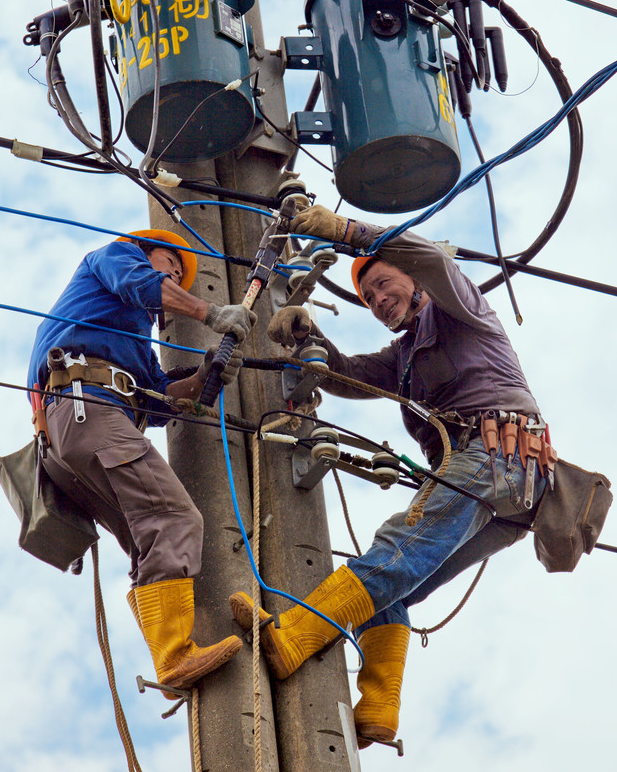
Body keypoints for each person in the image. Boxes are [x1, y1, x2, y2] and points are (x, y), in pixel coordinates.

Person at [229, 205, 552, 747]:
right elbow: (347, 376)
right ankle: (378, 708)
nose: (378, 299)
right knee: (393, 583)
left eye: (384, 284)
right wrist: (308, 335)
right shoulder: (401, 357)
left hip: (497, 456)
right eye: (369, 296)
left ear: (414, 280)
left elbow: (431, 259)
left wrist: (347, 233)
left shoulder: (458, 308)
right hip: (508, 492)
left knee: (394, 553)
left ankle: (294, 638)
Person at [28, 229, 256, 694]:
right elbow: (141, 283)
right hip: (86, 409)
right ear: (143, 249)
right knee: (173, 517)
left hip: (69, 433)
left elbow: (158, 400)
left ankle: (170, 656)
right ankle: (173, 655)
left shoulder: (132, 339)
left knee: (146, 539)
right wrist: (211, 313)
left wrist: (206, 376)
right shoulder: (114, 256)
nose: (173, 274)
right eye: (170, 263)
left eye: (178, 272)